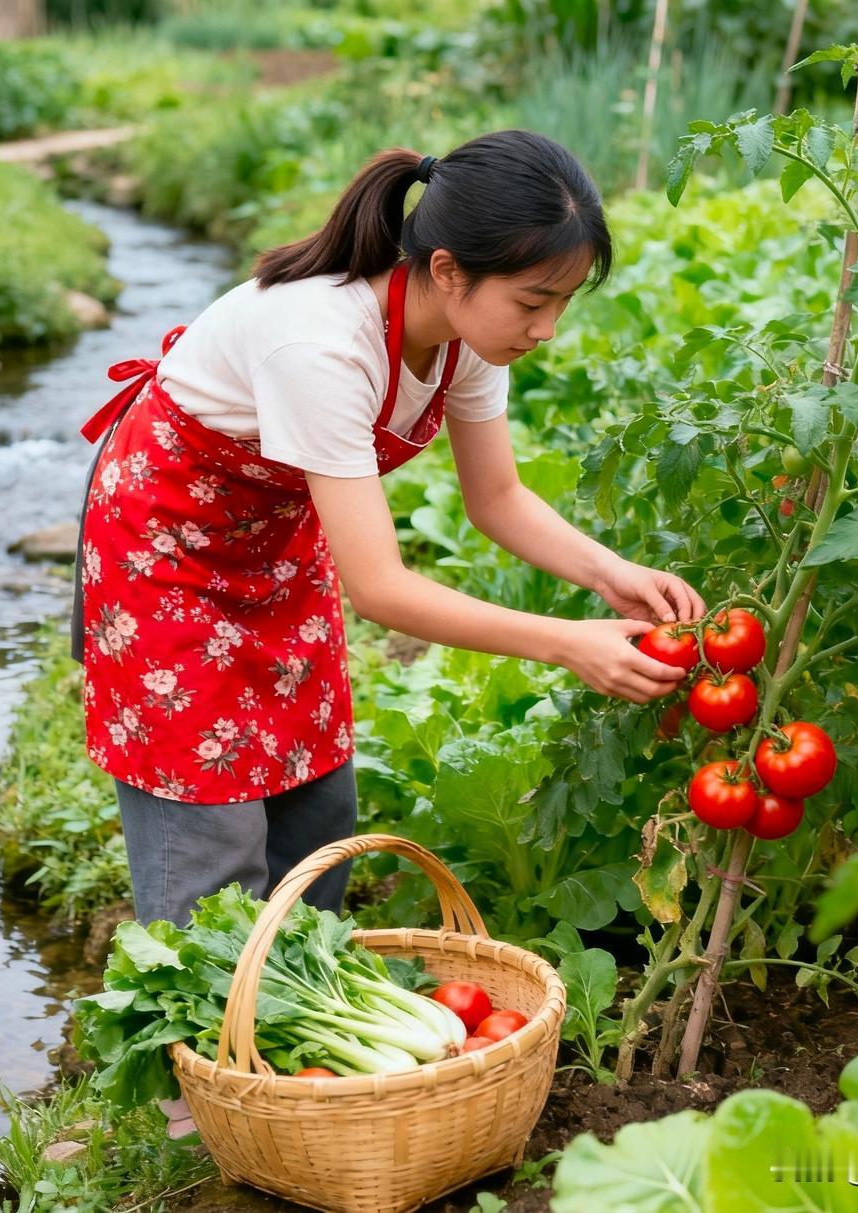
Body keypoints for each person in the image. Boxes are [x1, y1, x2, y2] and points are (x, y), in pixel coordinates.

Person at [71, 131, 703, 1126]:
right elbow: (380, 588)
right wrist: (568, 640)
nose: (545, 328)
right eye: (533, 300)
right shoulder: (320, 344)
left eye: (561, 303)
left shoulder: (464, 336)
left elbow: (496, 498)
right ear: (447, 270)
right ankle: (206, 1103)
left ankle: (299, 1050)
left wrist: (610, 576)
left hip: (274, 540)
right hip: (167, 553)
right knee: (209, 825)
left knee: (317, 802)